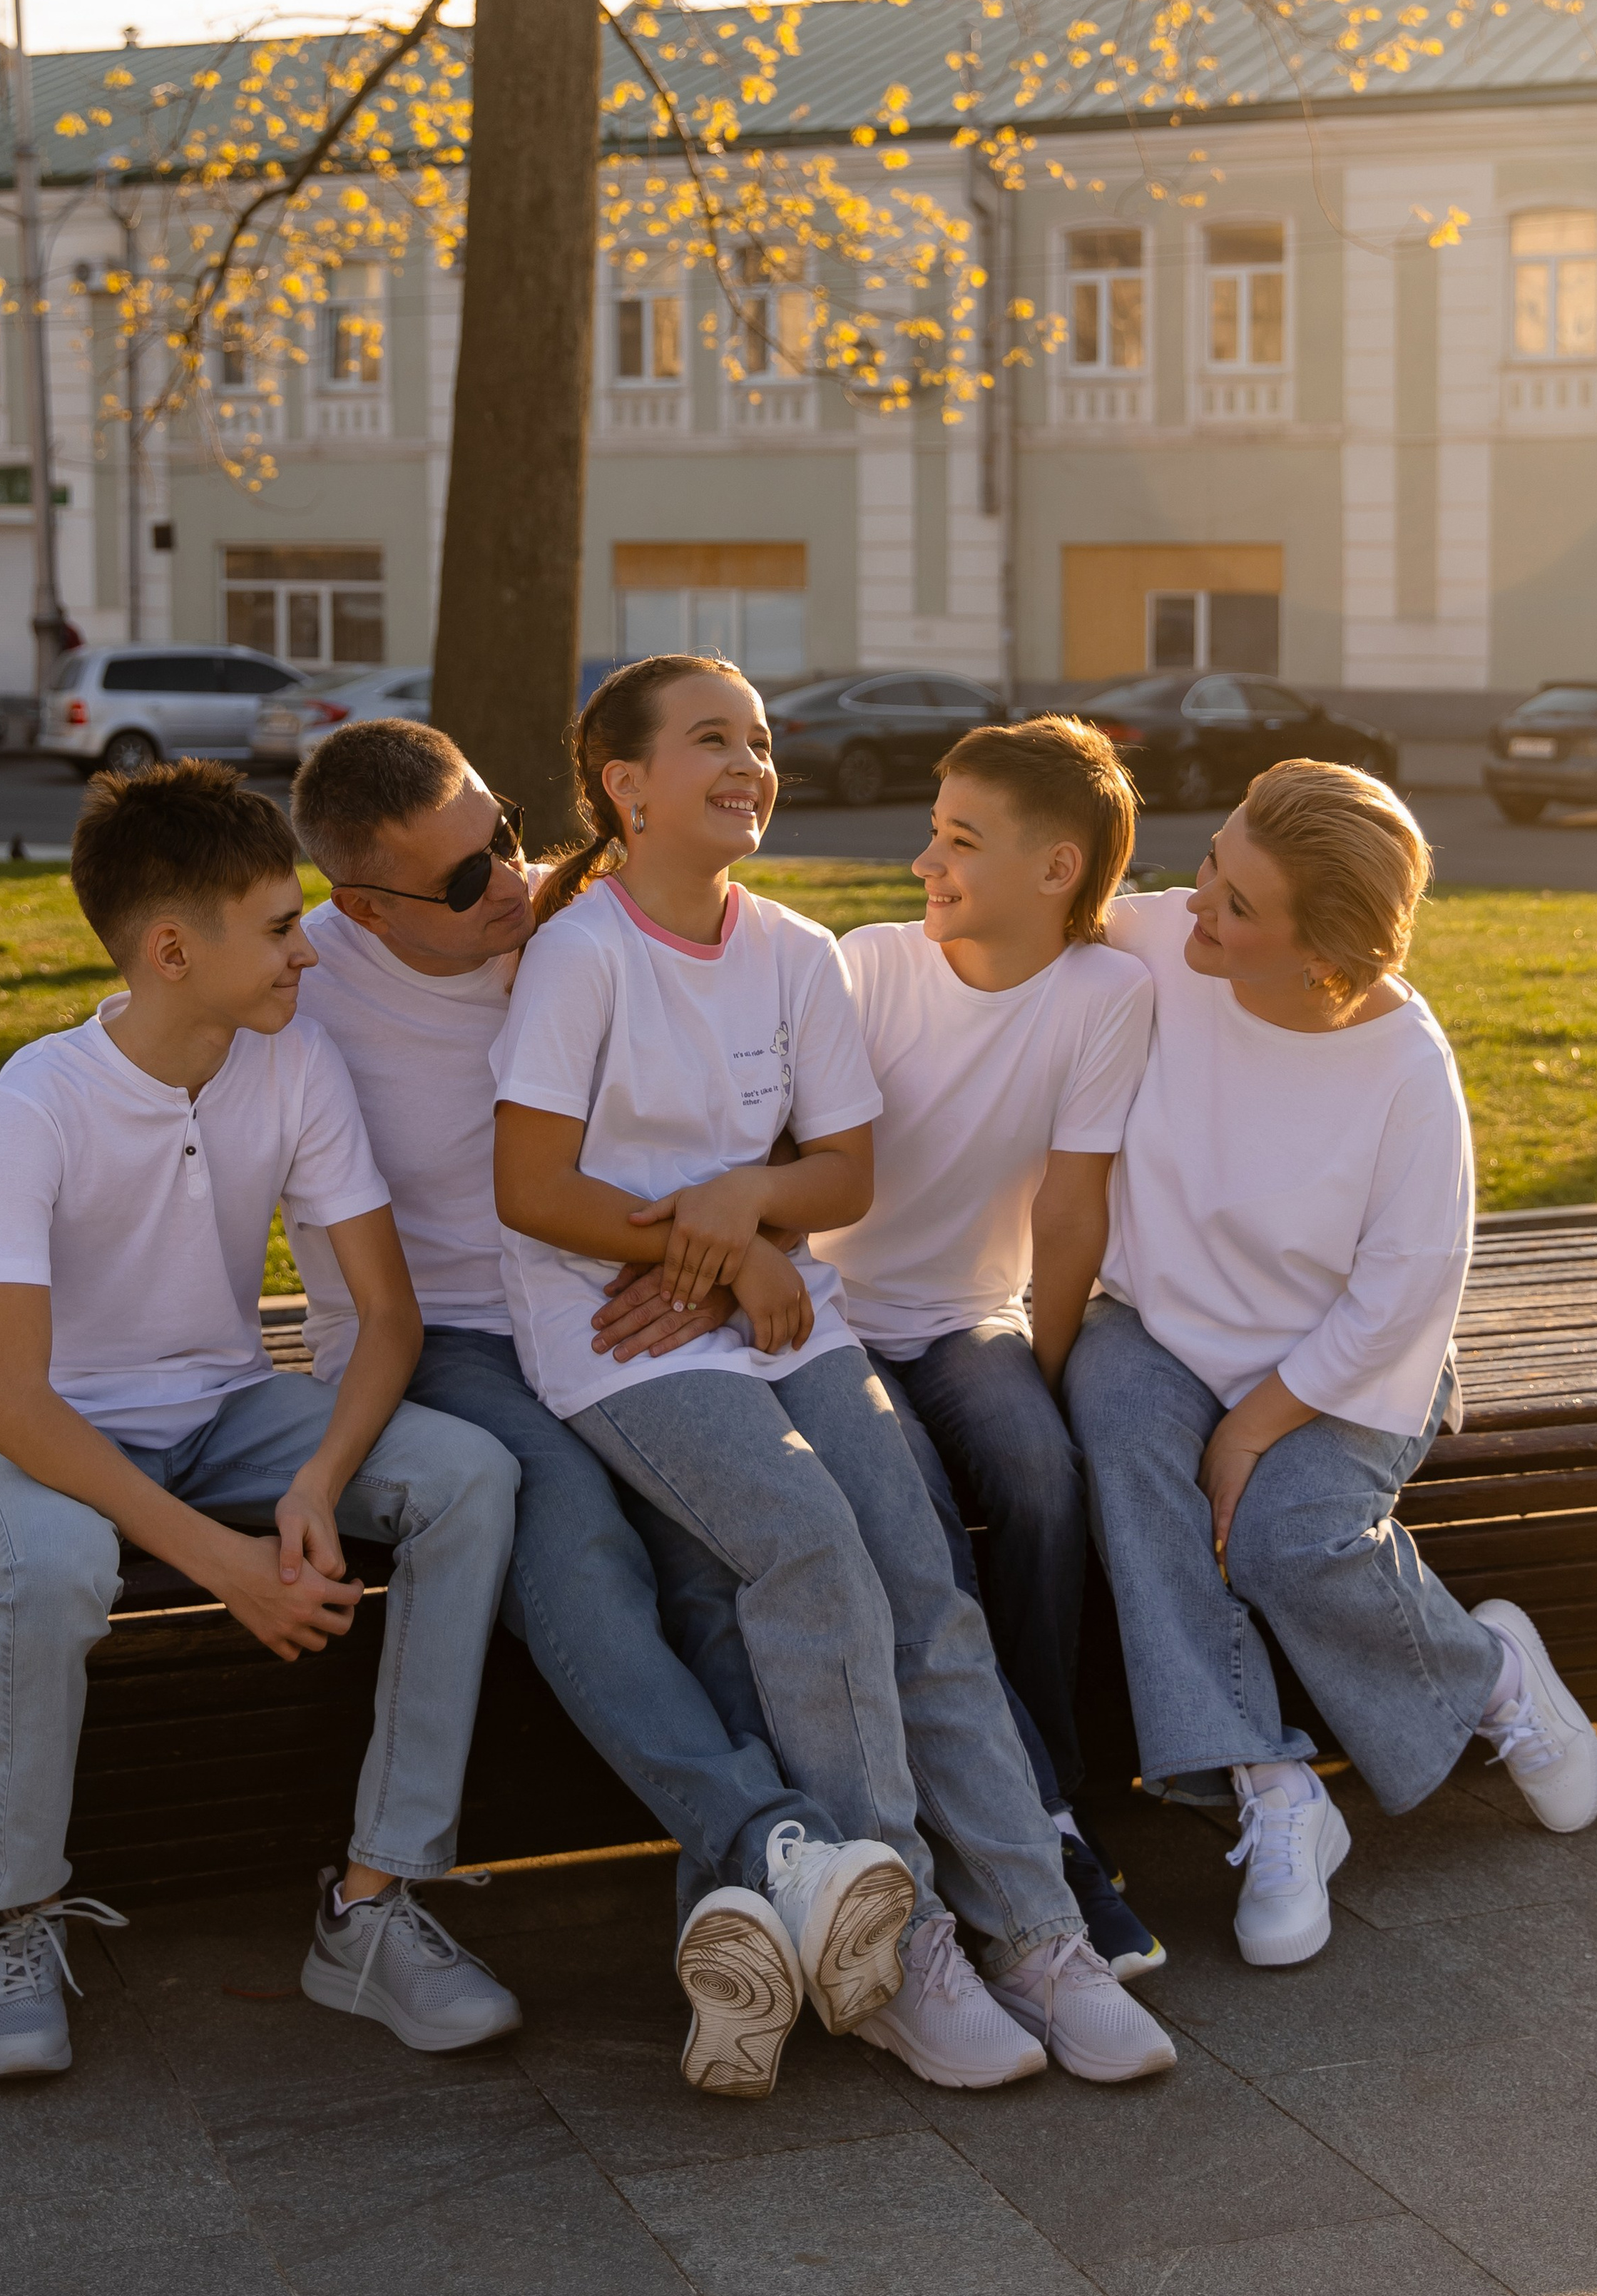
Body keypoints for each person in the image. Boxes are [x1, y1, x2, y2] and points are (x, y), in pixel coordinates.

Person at [0, 721, 914, 2105]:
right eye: (458, 878)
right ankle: (769, 1853)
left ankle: (738, 1906)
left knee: (704, 1543)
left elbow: (756, 1056)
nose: (506, 880)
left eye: (501, 832)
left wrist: (733, 1245)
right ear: (353, 906)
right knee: (560, 1533)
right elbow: (101, 1174)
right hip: (441, 1345)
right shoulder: (292, 998)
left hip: (585, 1312)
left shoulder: (560, 917)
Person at [491, 652, 1177, 2089]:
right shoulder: (583, 953)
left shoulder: (797, 952)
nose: (747, 760)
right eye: (706, 741)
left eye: (754, 736)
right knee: (810, 1549)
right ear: (623, 787)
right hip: (617, 1338)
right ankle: (901, 1943)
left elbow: (843, 1170)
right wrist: (720, 1253)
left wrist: (751, 1235)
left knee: (919, 1567)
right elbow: (530, 1188)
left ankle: (1037, 1933)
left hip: (788, 1313)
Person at [0, 760, 523, 2082]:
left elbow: (389, 1319)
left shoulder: (292, 1059)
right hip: (53, 1431)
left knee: (469, 1475)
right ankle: (13, 1921)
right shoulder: (38, 1095)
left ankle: (373, 1903)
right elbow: (14, 1399)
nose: (305, 954)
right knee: (65, 1561)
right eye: (277, 928)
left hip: (227, 1404)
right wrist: (227, 1565)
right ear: (173, 949)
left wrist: (316, 1479)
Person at [1066, 760, 1597, 1969]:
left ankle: (1489, 1673)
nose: (1199, 902)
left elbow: (1401, 1300)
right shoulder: (1161, 940)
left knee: (1281, 1536)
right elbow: (1001, 916)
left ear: (1326, 959)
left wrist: (1252, 1428)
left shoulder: (1408, 1075)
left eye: (1240, 904)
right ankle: (1276, 1786)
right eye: (1212, 862)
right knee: (1113, 1426)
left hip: (1345, 1371)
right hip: (1156, 1331)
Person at [810, 714, 1162, 1979]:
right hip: (831, 1322)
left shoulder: (1105, 994)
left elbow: (1071, 1213)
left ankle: (1054, 1784)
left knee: (1040, 1475)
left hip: (971, 1318)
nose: (926, 863)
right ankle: (1047, 1832)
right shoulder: (869, 967)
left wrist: (1052, 1378)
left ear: (1057, 871)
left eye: (960, 841)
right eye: (933, 834)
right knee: (905, 1508)